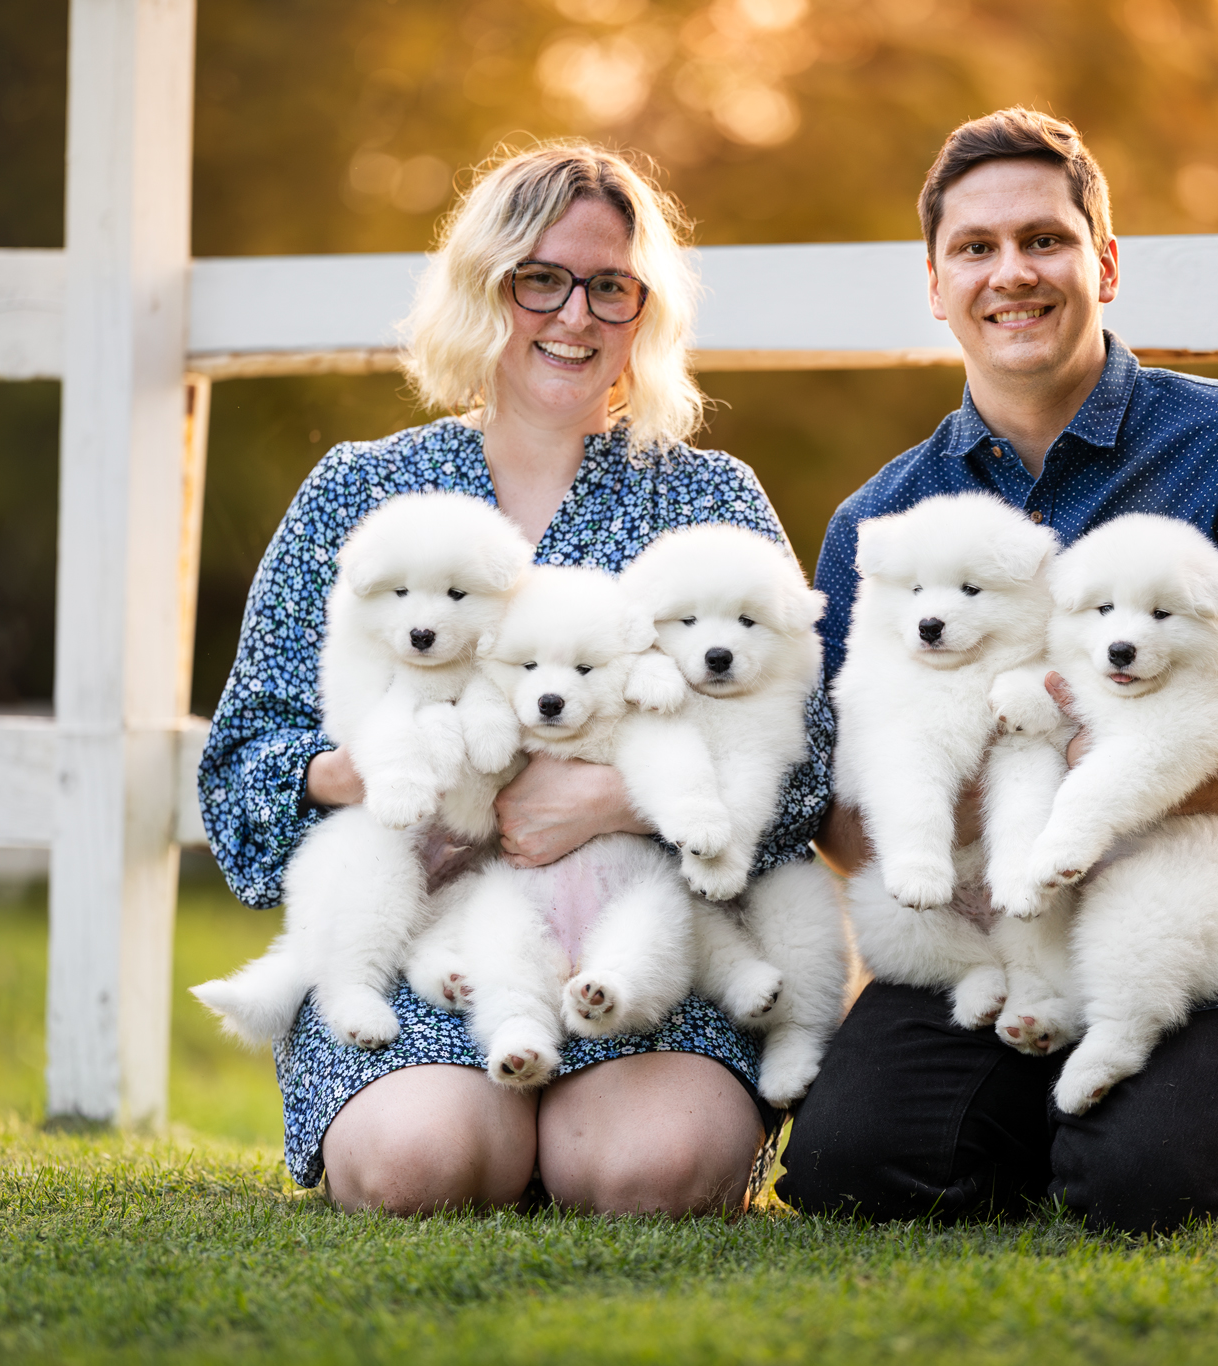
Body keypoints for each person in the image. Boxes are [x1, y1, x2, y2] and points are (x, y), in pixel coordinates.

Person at [775, 109, 1218, 1234]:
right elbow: (840, 809)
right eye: (973, 248)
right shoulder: (878, 519)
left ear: (1104, 262)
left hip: (1202, 924)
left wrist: (1109, 779)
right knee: (852, 1168)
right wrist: (969, 819)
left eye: (1044, 239)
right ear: (933, 284)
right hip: (992, 932)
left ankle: (1180, 1135)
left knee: (1153, 1188)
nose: (1009, 272)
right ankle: (1055, 1122)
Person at [197, 142, 833, 1217]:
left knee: (653, 1172)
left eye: (608, 286)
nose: (572, 316)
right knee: (416, 1167)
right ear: (480, 288)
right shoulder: (363, 490)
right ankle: (483, 1126)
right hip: (424, 945)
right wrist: (378, 776)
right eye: (538, 277)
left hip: (642, 941)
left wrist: (608, 798)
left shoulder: (705, 494)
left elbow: (809, 762)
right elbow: (243, 769)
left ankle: (573, 1138)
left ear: (644, 313)